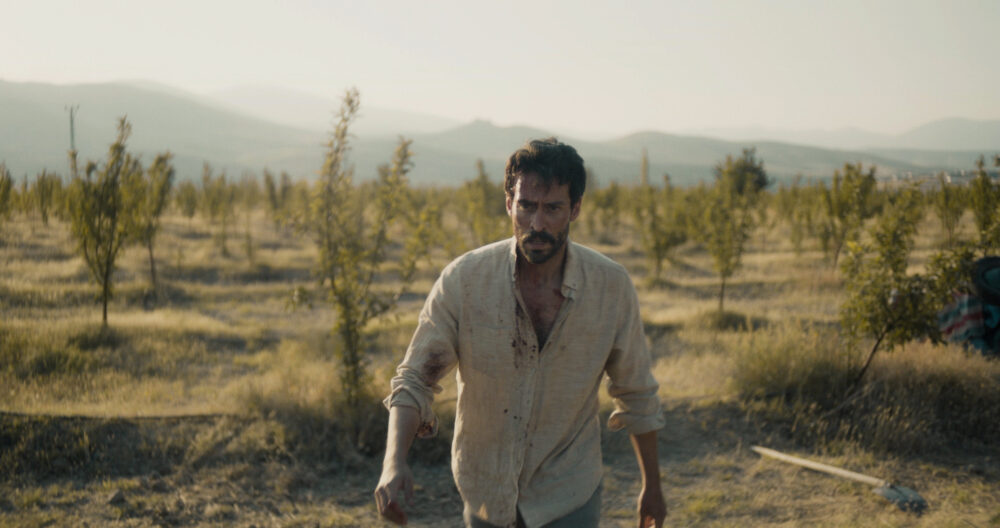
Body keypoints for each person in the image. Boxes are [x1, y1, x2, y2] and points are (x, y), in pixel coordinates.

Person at [374, 138, 666, 528]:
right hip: (485, 494)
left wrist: (653, 486)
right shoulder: (466, 280)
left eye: (553, 209)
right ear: (509, 203)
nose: (537, 224)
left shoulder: (610, 287)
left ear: (575, 208)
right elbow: (413, 380)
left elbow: (636, 392)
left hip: (570, 494)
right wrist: (394, 463)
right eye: (527, 206)